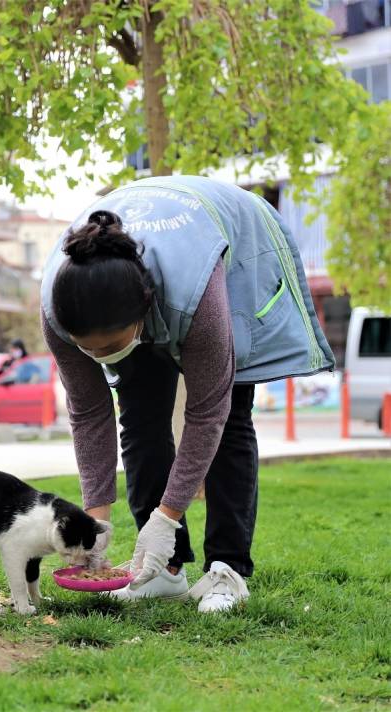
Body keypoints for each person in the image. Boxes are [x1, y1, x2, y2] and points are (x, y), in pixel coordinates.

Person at [40, 175, 333, 613]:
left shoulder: (194, 299)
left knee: (231, 415)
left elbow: (207, 415)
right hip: (148, 269)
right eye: (89, 348)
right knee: (139, 417)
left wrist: (167, 516)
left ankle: (227, 570)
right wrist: (94, 521)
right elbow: (88, 415)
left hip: (235, 243)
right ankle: (164, 570)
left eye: (109, 345)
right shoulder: (59, 310)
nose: (99, 357)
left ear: (145, 310)